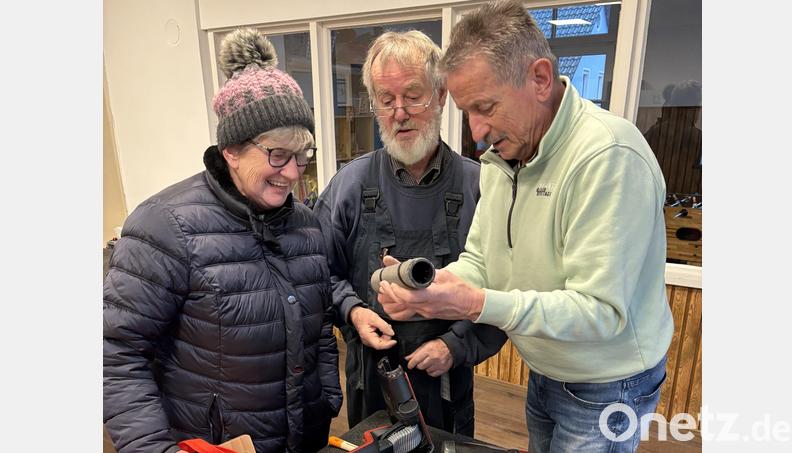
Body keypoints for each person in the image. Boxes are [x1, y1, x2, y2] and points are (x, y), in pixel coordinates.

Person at [376, 2, 674, 452]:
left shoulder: (608, 157)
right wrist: (435, 291)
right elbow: (482, 259)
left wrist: (475, 304)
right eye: (466, 111)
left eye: (485, 106)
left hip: (606, 385)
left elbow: (600, 312)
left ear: (538, 78)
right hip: (548, 369)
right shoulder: (504, 157)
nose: (477, 131)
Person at [103, 28, 341, 453]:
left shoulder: (306, 225)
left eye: (302, 156)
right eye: (278, 155)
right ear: (231, 149)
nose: (293, 173)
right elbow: (115, 354)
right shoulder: (164, 226)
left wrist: (325, 396)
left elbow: (318, 323)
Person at [313, 30, 507, 436]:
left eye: (413, 95)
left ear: (439, 96)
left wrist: (455, 346)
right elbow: (317, 274)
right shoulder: (349, 187)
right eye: (386, 100)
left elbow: (506, 291)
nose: (399, 112)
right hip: (371, 384)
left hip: (448, 387)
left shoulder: (483, 187)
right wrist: (353, 310)